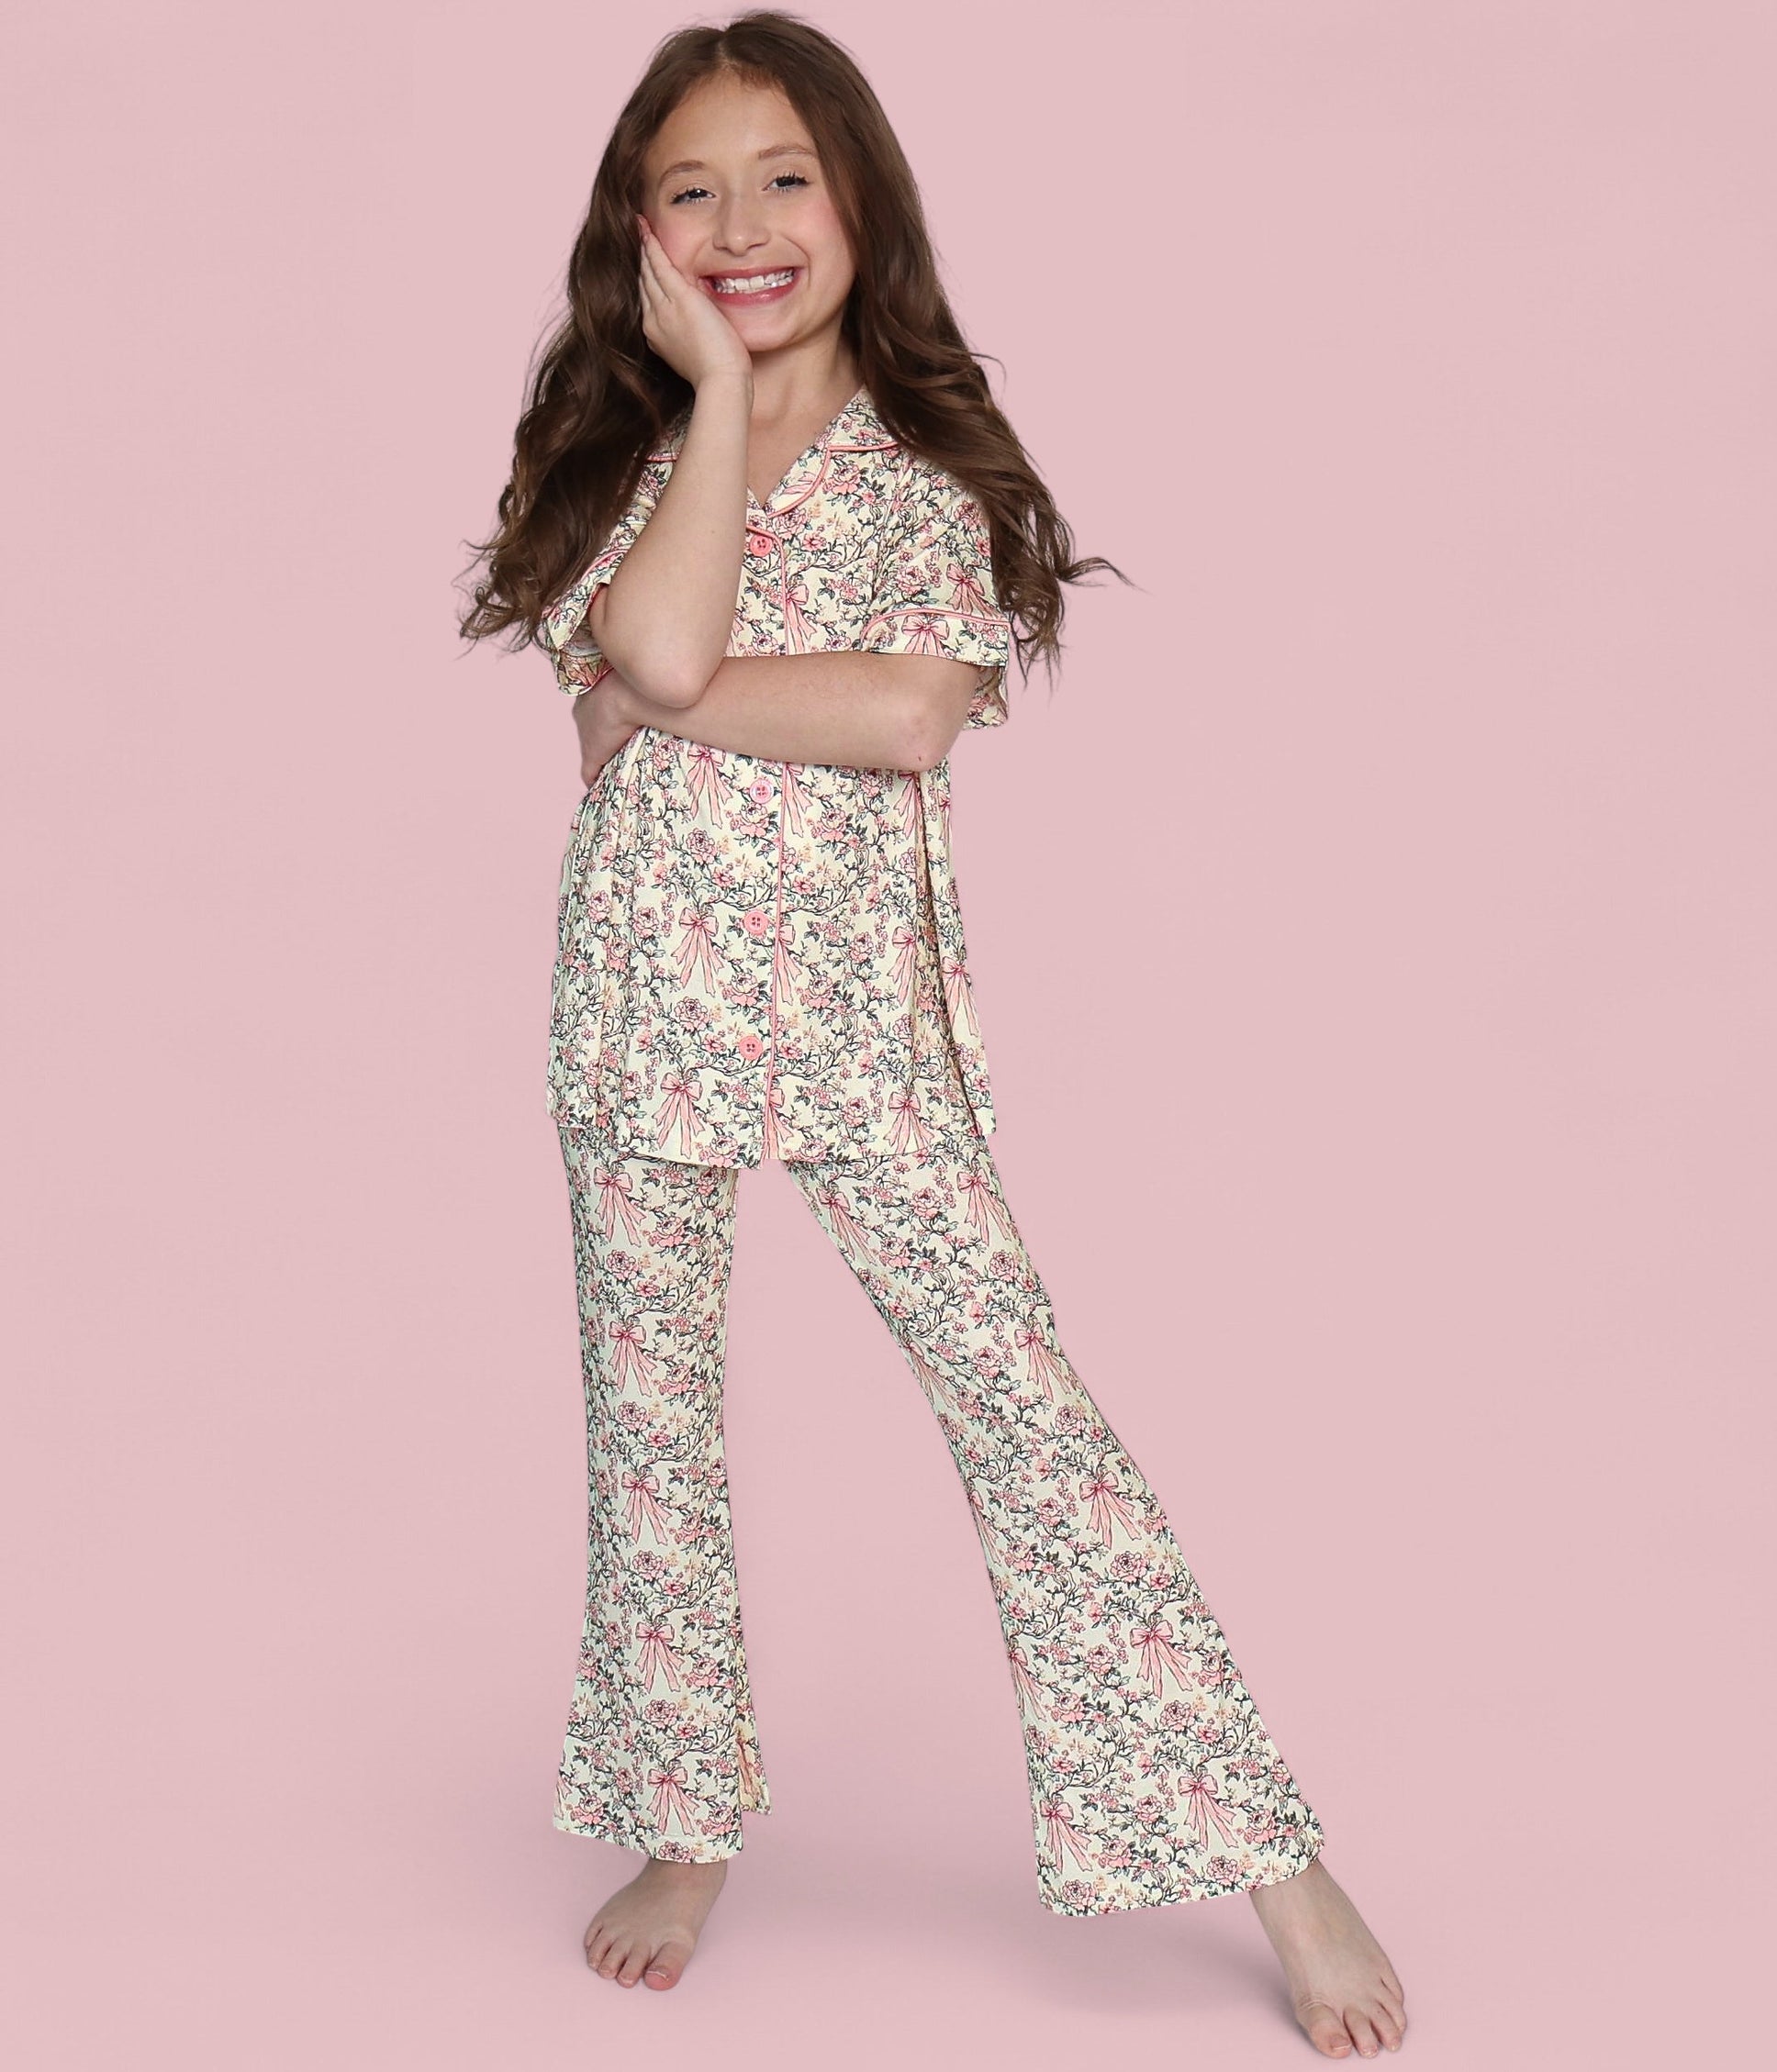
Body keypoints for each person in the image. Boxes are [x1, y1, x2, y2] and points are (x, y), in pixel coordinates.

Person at [460, 11, 1407, 2059]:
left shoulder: (927, 466)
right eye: (690, 191)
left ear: (861, 201)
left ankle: (1268, 1849)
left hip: (858, 1021)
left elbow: (887, 711)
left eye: (782, 178)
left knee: (1031, 1429)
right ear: (638, 236)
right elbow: (649, 649)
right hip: (638, 1006)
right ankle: (685, 1824)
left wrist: (663, 691)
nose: (740, 224)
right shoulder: (621, 459)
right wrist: (714, 414)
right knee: (651, 1446)